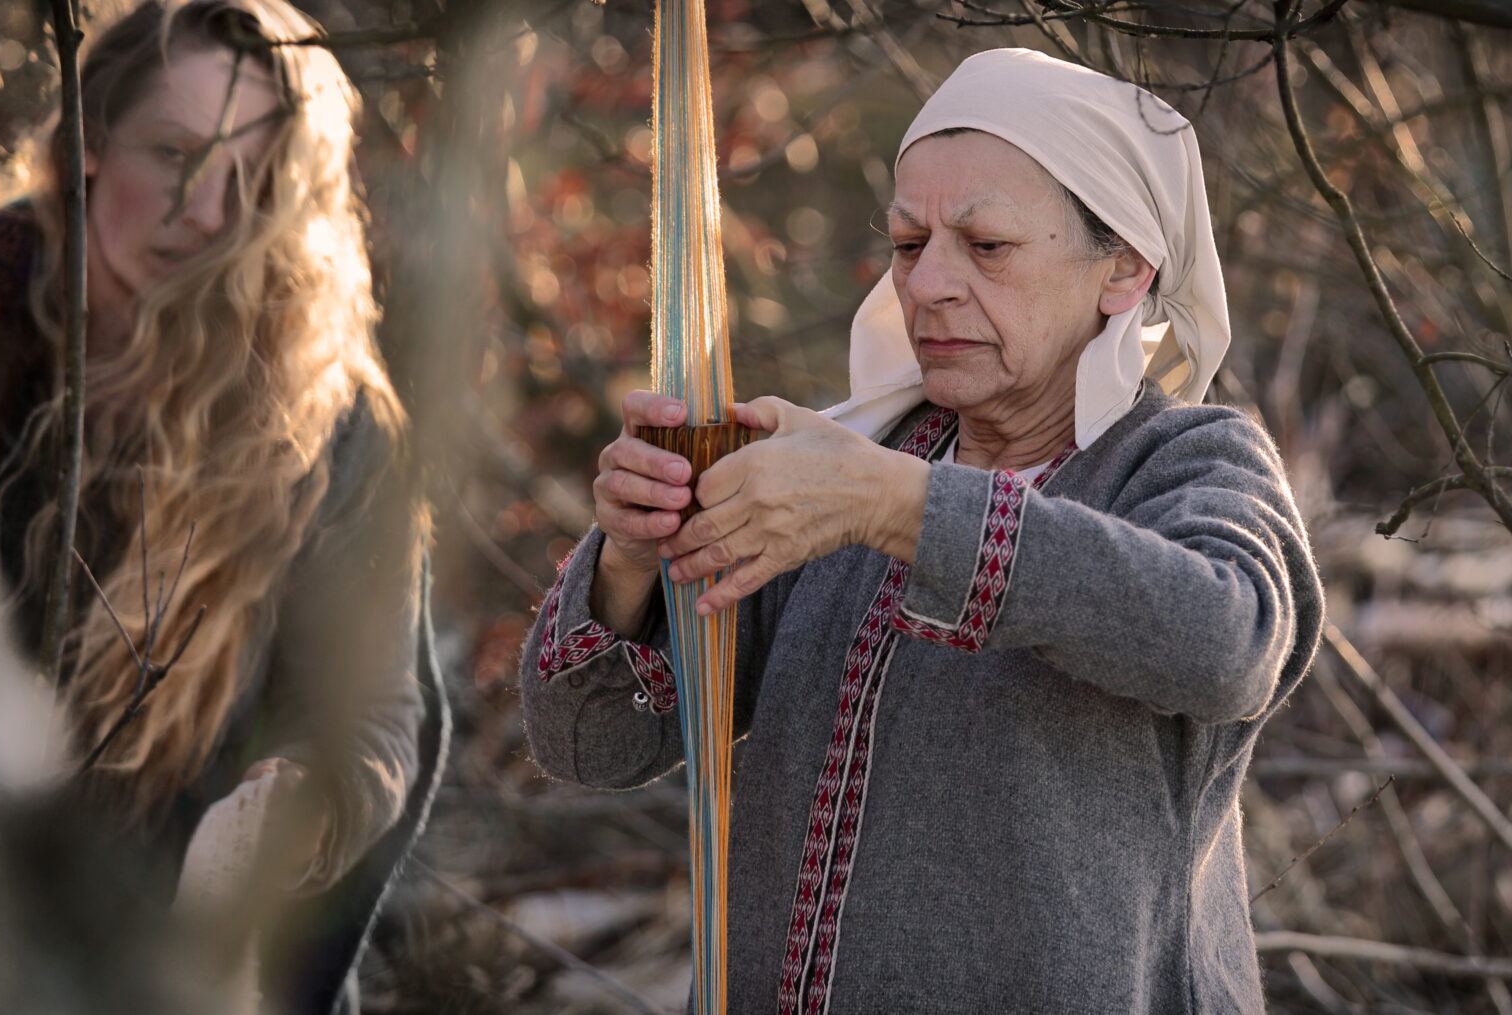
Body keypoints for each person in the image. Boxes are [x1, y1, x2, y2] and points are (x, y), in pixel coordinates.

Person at [522, 48, 1321, 1013]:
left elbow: (1228, 642)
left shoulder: (1186, 459)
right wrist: (633, 557)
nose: (929, 283)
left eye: (986, 246)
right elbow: (591, 742)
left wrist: (898, 508)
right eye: (908, 243)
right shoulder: (842, 471)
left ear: (1123, 269)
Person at [0, 2, 440, 1010]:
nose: (206, 212)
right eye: (174, 153)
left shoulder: (323, 412)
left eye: (251, 179)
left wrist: (299, 805)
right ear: (86, 142)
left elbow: (376, 717)